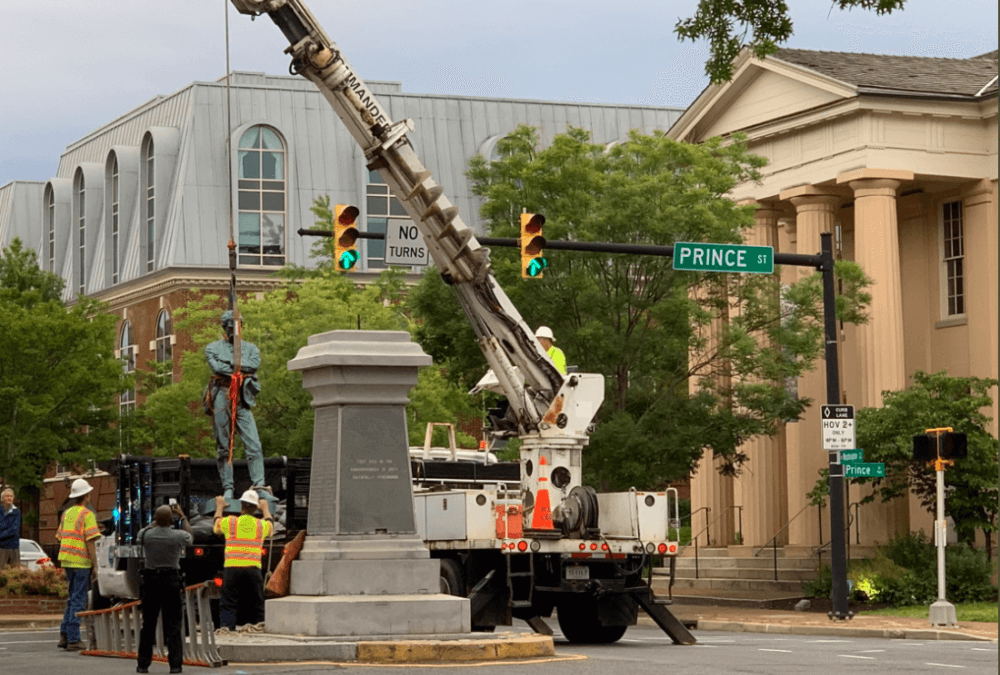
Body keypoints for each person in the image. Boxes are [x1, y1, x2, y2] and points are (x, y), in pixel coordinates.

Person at [205, 310, 265, 500]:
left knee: (254, 443)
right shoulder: (212, 348)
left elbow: (253, 365)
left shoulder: (251, 348)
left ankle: (260, 485)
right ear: (224, 327)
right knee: (224, 446)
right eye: (231, 328)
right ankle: (228, 487)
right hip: (221, 395)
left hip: (242, 397)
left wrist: (232, 363)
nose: (234, 332)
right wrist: (238, 365)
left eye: (237, 327)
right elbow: (217, 368)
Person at [136, 503, 193, 675]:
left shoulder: (145, 534)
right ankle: (175, 666)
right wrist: (182, 516)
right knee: (174, 624)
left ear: (155, 518)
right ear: (171, 520)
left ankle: (143, 665)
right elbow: (190, 537)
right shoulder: (177, 536)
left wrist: (157, 521)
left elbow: (143, 532)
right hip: (171, 580)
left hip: (151, 581)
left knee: (148, 624)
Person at [213, 490, 273, 631]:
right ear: (255, 507)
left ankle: (227, 630)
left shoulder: (231, 522)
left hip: (232, 568)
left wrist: (220, 507)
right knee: (257, 604)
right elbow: (271, 527)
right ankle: (259, 629)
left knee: (229, 602)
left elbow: (216, 527)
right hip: (253, 569)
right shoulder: (260, 525)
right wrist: (265, 509)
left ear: (241, 506)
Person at [56, 478, 101, 651]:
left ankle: (65, 634)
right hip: (81, 561)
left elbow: (60, 536)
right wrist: (95, 565)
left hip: (66, 559)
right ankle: (74, 639)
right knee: (78, 599)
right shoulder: (88, 515)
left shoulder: (66, 513)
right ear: (87, 496)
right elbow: (90, 541)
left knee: (72, 597)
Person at [0, 488, 20, 570]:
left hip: (13, 547)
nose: (9, 498)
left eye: (11, 496)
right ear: (2, 498)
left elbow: (14, 530)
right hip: (1, 547)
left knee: (15, 572)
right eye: (7, 496)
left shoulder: (16, 512)